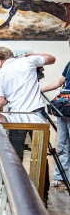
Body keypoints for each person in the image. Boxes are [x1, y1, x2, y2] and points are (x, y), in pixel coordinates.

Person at [0, 47, 56, 161]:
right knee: (40, 157)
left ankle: (15, 179)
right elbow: (52, 58)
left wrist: (8, 97)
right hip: (37, 115)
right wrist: (29, 54)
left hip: (17, 117)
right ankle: (42, 179)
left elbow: (0, 103)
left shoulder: (0, 75)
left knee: (15, 158)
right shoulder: (28, 61)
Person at [41, 42, 70, 187]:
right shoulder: (69, 64)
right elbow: (59, 82)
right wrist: (41, 90)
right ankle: (61, 176)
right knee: (62, 143)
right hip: (64, 108)